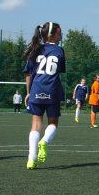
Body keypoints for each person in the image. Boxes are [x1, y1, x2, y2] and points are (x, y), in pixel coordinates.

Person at [22, 21, 65, 169]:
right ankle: (44, 141)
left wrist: (28, 93)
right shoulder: (59, 51)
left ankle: (31, 159)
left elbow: (28, 74)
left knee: (35, 125)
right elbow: (59, 70)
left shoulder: (35, 49)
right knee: (53, 123)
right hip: (52, 90)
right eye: (59, 33)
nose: (61, 35)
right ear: (51, 35)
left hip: (36, 90)